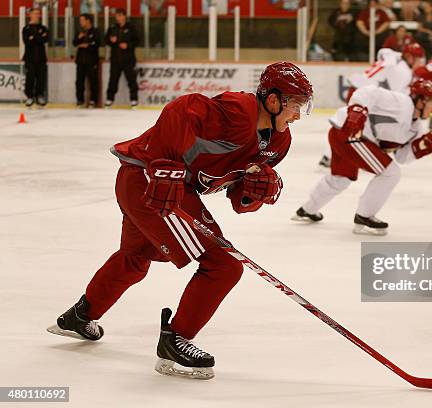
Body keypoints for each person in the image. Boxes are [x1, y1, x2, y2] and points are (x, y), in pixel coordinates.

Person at [47, 62, 314, 379]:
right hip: (150, 180)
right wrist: (165, 166)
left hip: (149, 183)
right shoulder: (239, 111)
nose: (298, 114)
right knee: (223, 265)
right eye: (296, 104)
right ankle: (176, 341)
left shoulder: (277, 143)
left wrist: (254, 192)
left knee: (135, 258)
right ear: (273, 100)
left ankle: (79, 317)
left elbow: (239, 200)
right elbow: (182, 109)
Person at [294, 79, 432, 236]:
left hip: (344, 134)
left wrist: (421, 148)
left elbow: (402, 157)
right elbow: (368, 92)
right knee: (390, 173)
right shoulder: (400, 103)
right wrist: (357, 110)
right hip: (350, 132)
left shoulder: (418, 127)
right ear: (420, 100)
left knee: (341, 178)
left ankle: (306, 210)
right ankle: (364, 217)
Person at [318, 42, 425, 168]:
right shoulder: (404, 71)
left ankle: (331, 156)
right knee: (354, 127)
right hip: (365, 96)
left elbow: (383, 53)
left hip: (359, 90)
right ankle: (333, 157)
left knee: (352, 126)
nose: (420, 63)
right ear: (409, 57)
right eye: (418, 59)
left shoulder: (393, 57)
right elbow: (395, 98)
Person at [105, 8, 139, 108]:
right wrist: (111, 40)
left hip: (128, 59)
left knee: (131, 80)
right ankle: (109, 99)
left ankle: (134, 100)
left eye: (120, 15)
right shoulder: (112, 27)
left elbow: (137, 41)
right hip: (115, 59)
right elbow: (106, 40)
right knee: (113, 80)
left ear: (124, 16)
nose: (118, 18)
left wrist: (128, 45)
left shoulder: (131, 27)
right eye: (117, 16)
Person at [73, 13, 102, 108]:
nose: (80, 22)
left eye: (82, 20)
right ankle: (80, 100)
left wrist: (88, 46)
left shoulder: (96, 31)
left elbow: (97, 43)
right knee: (79, 81)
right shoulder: (79, 32)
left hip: (92, 60)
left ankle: (93, 100)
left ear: (88, 21)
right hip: (81, 60)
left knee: (93, 80)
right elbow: (74, 43)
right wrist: (79, 38)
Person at [22, 7, 48, 107]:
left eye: (38, 13)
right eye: (35, 13)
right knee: (30, 77)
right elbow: (26, 42)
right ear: (30, 15)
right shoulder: (26, 28)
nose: (37, 15)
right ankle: (29, 97)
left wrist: (33, 37)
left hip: (41, 58)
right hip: (29, 58)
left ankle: (39, 96)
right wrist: (39, 37)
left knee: (41, 78)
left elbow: (45, 39)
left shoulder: (43, 28)